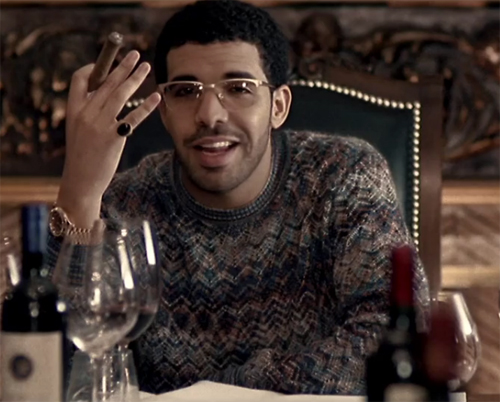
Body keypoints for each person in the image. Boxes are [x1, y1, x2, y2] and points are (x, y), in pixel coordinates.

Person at [46, 0, 430, 395]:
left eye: (239, 88)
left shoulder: (343, 175)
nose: (210, 114)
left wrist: (220, 391)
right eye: (185, 91)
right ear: (165, 112)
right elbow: (60, 373)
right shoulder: (126, 205)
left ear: (277, 106)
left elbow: (399, 336)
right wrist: (79, 192)